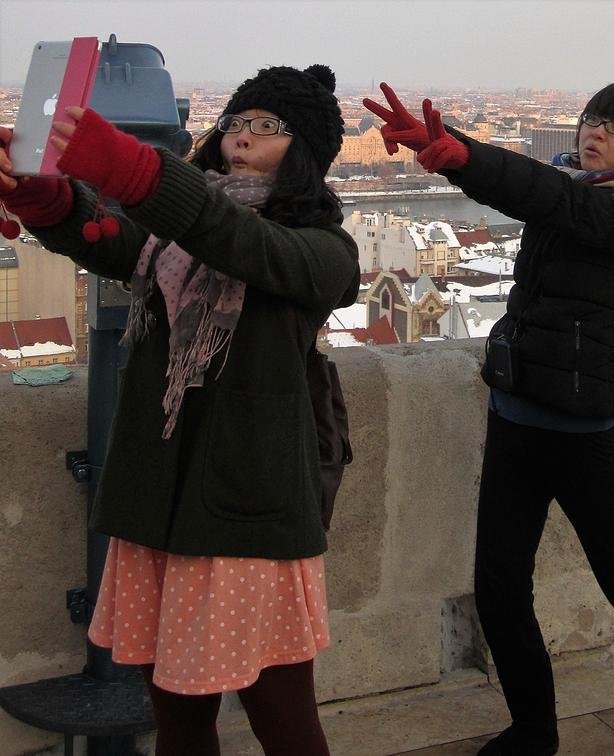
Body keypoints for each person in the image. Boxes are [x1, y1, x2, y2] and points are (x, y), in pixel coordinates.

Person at [364, 82, 614, 756]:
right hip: (516, 414)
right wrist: (452, 154)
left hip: (585, 436)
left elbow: (553, 200)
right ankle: (534, 730)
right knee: (500, 587)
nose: (595, 132)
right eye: (592, 119)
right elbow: (539, 195)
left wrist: (461, 154)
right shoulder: (571, 185)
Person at [0, 64, 359, 755]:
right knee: (177, 721)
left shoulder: (323, 251)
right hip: (160, 506)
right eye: (236, 121)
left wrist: (137, 171)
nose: (243, 136)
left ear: (305, 151)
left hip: (245, 519)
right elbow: (115, 237)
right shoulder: (175, 243)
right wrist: (49, 200)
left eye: (268, 127)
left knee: (284, 720)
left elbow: (242, 244)